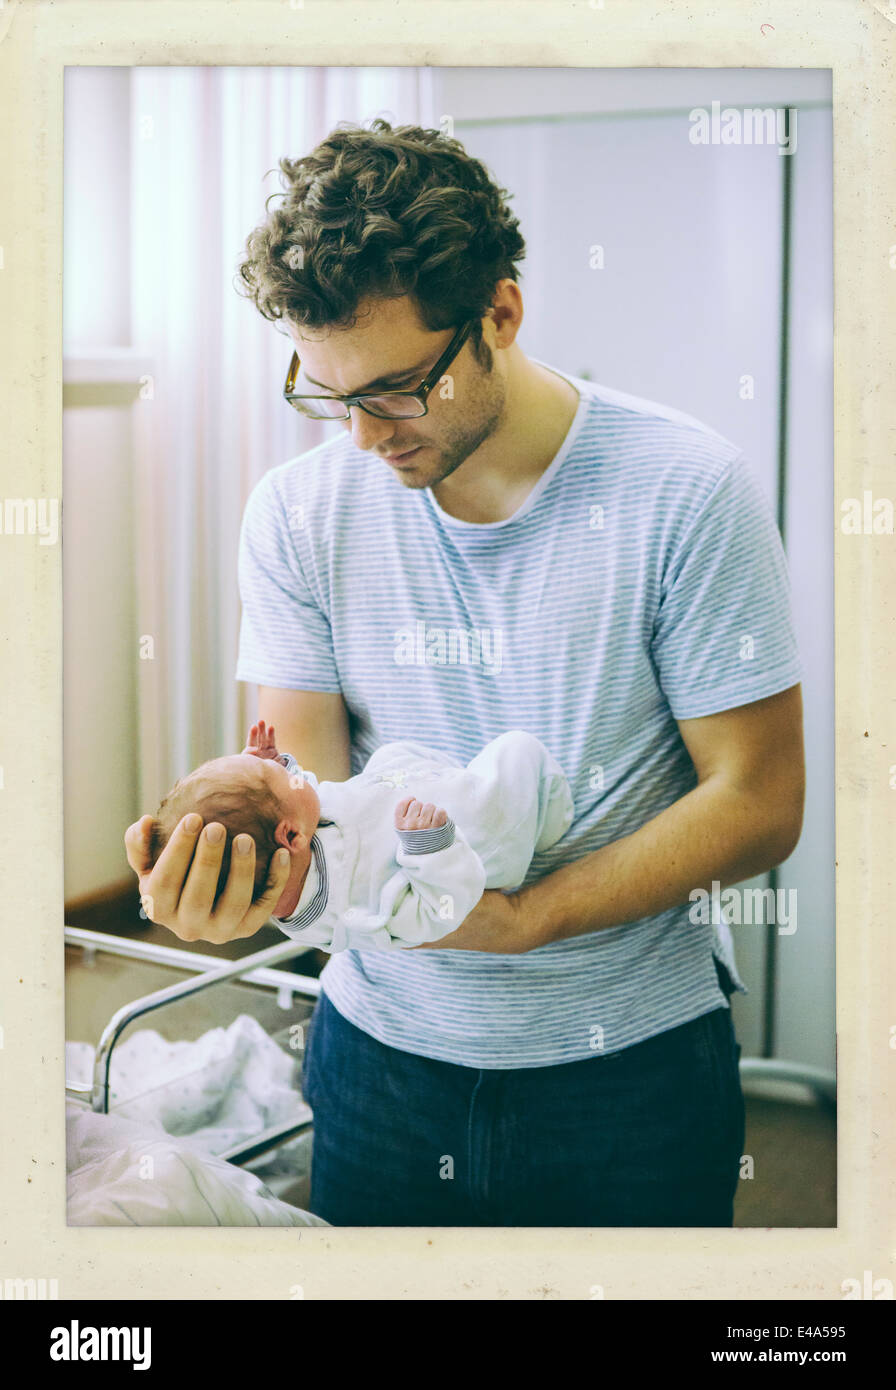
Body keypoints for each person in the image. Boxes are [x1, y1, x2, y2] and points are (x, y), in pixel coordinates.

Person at [125, 118, 805, 1227]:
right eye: (327, 393)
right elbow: (318, 803)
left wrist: (528, 918)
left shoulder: (683, 490)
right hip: (380, 1060)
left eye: (395, 391)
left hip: (627, 1067)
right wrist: (237, 882)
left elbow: (760, 799)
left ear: (500, 311)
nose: (360, 439)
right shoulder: (296, 513)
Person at [145, 719, 574, 952]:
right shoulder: (354, 909)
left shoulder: (293, 852)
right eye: (277, 773)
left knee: (390, 755)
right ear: (291, 836)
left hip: (395, 794)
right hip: (466, 838)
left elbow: (298, 802)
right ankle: (552, 816)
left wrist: (273, 768)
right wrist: (430, 848)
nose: (290, 771)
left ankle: (457, 778)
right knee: (518, 753)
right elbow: (436, 914)